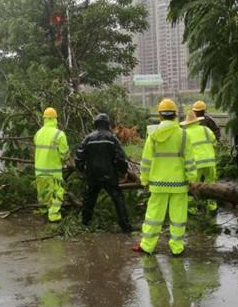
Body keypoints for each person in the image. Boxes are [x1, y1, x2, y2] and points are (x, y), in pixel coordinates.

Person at [134, 99, 197, 256]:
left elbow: (146, 161)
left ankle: (147, 246)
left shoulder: (153, 136)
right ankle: (177, 248)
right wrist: (192, 179)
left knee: (153, 216)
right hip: (179, 184)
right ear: (175, 115)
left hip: (157, 184)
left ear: (160, 115)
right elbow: (189, 160)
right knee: (178, 217)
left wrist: (144, 180)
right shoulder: (183, 135)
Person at [75, 113, 132, 232]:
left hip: (92, 175)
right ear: (107, 124)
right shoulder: (112, 138)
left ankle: (85, 223)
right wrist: (123, 171)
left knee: (89, 199)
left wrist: (81, 170)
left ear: (95, 124)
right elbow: (120, 157)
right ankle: (125, 226)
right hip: (109, 175)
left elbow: (79, 156)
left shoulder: (88, 138)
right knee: (118, 199)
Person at [34, 107, 69, 223]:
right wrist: (65, 159)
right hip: (53, 172)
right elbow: (64, 154)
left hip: (39, 171)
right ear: (55, 119)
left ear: (44, 118)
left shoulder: (38, 133)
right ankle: (54, 215)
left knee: (43, 193)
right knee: (57, 193)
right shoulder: (59, 134)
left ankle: (44, 213)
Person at [181, 110, 218, 213]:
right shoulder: (206, 130)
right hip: (209, 161)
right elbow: (215, 142)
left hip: (195, 163)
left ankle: (192, 208)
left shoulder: (185, 133)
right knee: (211, 183)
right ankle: (212, 206)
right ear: (197, 121)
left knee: (192, 185)